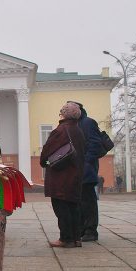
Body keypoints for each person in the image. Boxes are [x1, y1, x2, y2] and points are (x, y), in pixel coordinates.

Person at [40, 102, 85, 248]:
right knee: (74, 207)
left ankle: (65, 238)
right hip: (75, 175)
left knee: (61, 206)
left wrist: (44, 161)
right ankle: (76, 238)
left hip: (61, 177)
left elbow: (47, 151)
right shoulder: (78, 130)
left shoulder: (61, 130)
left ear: (64, 114)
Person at [68, 101, 103, 242]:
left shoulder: (88, 123)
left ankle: (91, 230)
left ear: (77, 111)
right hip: (77, 169)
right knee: (80, 201)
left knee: (88, 201)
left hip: (87, 170)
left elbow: (95, 143)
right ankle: (82, 229)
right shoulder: (75, 124)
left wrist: (86, 162)